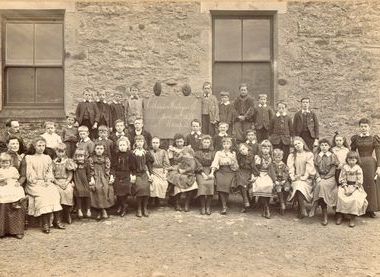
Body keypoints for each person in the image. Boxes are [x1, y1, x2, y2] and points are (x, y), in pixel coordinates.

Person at [24, 136, 64, 233]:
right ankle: (45, 223)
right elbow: (29, 172)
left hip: (45, 182)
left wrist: (48, 180)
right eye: (39, 145)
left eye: (43, 145)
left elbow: (49, 172)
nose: (41, 148)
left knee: (54, 191)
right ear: (34, 146)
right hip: (33, 184)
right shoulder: (29, 158)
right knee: (43, 195)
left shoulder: (47, 157)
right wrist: (36, 181)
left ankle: (57, 221)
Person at [350, 118, 380, 218]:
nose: (363, 128)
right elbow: (352, 153)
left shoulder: (373, 138)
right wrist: (351, 165)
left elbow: (378, 154)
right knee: (360, 184)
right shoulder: (356, 139)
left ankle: (371, 209)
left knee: (371, 184)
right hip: (359, 164)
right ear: (359, 127)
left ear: (369, 127)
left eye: (365, 126)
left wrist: (379, 167)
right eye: (361, 126)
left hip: (371, 164)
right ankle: (360, 207)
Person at [309, 138, 339, 225]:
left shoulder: (333, 156)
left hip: (330, 178)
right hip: (319, 177)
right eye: (322, 145)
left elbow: (333, 169)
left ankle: (315, 204)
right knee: (320, 184)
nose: (324, 147)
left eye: (326, 145)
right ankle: (324, 215)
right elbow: (315, 168)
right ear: (319, 146)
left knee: (321, 185)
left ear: (329, 146)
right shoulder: (317, 155)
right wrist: (318, 176)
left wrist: (325, 177)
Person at [336, 151, 368, 227]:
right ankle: (340, 215)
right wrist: (346, 188)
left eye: (353, 160)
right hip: (346, 186)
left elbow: (359, 180)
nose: (351, 162)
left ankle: (352, 217)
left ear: (357, 160)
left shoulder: (358, 168)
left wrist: (352, 190)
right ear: (347, 160)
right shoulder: (345, 167)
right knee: (340, 196)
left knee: (355, 198)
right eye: (349, 160)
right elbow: (342, 178)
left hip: (355, 187)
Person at [287, 136, 316, 219]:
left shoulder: (309, 154)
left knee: (300, 185)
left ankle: (301, 209)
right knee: (298, 185)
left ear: (303, 143)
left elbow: (309, 168)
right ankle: (302, 209)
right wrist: (293, 177)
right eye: (295, 145)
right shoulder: (292, 156)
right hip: (296, 178)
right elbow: (291, 168)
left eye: (299, 143)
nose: (297, 145)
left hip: (307, 179)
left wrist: (304, 177)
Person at [0, 153, 26, 239]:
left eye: (6, 162)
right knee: (3, 194)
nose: (4, 164)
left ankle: (17, 230)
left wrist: (17, 182)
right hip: (3, 186)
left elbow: (17, 177)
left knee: (17, 191)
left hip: (12, 184)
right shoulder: (0, 170)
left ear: (10, 163)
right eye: (2, 162)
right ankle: (2, 230)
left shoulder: (13, 169)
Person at [210, 136, 239, 215]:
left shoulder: (233, 153)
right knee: (221, 183)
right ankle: (224, 206)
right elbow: (215, 163)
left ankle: (225, 203)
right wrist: (212, 172)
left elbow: (236, 166)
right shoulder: (219, 153)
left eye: (228, 143)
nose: (226, 145)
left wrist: (233, 161)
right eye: (224, 143)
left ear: (230, 145)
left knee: (227, 183)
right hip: (221, 171)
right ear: (222, 145)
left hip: (230, 171)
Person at [167, 146, 200, 212]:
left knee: (192, 186)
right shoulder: (183, 158)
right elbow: (178, 163)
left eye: (185, 154)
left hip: (189, 175)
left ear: (190, 154)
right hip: (181, 175)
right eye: (184, 154)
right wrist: (174, 168)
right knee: (176, 183)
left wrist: (184, 171)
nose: (184, 155)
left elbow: (192, 168)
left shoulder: (193, 160)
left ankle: (186, 204)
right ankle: (177, 203)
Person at [89, 142, 115, 220]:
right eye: (97, 149)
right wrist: (92, 178)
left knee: (106, 188)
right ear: (95, 149)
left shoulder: (106, 159)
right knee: (97, 188)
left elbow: (108, 170)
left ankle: (103, 209)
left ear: (104, 150)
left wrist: (111, 177)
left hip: (104, 176)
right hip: (95, 177)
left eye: (101, 149)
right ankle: (100, 210)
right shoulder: (91, 159)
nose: (99, 150)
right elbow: (90, 170)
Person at [52, 143, 77, 224]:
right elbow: (52, 175)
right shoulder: (53, 162)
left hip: (66, 181)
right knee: (58, 192)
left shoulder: (68, 161)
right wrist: (58, 183)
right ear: (56, 152)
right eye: (59, 152)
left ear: (65, 152)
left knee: (68, 191)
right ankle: (59, 214)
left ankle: (67, 213)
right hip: (57, 182)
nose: (60, 154)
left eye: (62, 152)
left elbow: (70, 174)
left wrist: (66, 183)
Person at [251, 140, 276, 219]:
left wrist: (274, 179)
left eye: (268, 148)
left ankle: (266, 207)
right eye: (264, 148)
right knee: (261, 185)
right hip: (259, 174)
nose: (266, 150)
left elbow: (272, 170)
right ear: (261, 149)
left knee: (269, 185)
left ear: (270, 149)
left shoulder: (271, 158)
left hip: (267, 174)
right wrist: (255, 175)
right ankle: (266, 208)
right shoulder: (257, 157)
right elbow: (254, 168)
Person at [111, 137, 135, 217]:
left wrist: (132, 175)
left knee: (125, 187)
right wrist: (112, 175)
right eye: (120, 145)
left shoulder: (130, 154)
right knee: (117, 186)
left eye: (124, 145)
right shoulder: (116, 155)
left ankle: (123, 206)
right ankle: (122, 205)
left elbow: (133, 167)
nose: (122, 146)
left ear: (127, 146)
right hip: (118, 174)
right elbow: (113, 167)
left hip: (127, 174)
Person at [131, 135, 154, 217]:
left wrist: (151, 174)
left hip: (145, 173)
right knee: (140, 187)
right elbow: (131, 166)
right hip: (136, 174)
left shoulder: (146, 153)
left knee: (146, 186)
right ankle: (139, 208)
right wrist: (132, 175)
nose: (139, 143)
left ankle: (145, 207)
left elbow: (149, 165)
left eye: (141, 141)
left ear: (143, 142)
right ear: (135, 143)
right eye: (138, 141)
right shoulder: (133, 153)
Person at [194, 135, 216, 215]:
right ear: (201, 143)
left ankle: (208, 207)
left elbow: (215, 163)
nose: (206, 144)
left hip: (210, 171)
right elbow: (197, 164)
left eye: (208, 142)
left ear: (210, 143)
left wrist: (211, 173)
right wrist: (202, 173)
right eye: (204, 142)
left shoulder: (213, 153)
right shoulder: (197, 153)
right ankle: (203, 206)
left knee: (210, 183)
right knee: (202, 183)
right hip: (200, 171)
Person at [236, 143, 258, 213]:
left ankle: (246, 201)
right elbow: (238, 164)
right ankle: (246, 201)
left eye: (243, 149)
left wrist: (254, 174)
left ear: (247, 148)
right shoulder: (239, 156)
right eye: (240, 150)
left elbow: (253, 166)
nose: (242, 151)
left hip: (249, 171)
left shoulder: (251, 156)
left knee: (243, 182)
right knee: (240, 181)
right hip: (241, 171)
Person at [149, 137, 170, 207]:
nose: (155, 144)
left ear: (159, 143)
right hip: (151, 170)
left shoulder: (163, 152)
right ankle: (152, 198)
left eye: (157, 143)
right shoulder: (149, 152)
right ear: (151, 144)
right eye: (153, 143)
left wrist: (165, 173)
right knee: (154, 182)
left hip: (161, 170)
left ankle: (157, 199)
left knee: (163, 182)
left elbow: (166, 164)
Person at [72, 148, 92, 219]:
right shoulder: (74, 164)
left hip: (85, 181)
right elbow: (71, 173)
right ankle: (79, 210)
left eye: (81, 156)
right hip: (77, 181)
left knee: (87, 192)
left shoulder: (86, 164)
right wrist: (72, 181)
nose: (80, 158)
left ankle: (88, 209)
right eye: (78, 156)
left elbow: (88, 173)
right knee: (78, 193)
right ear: (76, 157)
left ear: (84, 156)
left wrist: (89, 181)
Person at [272, 148, 291, 215]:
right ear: (273, 157)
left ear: (282, 157)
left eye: (279, 157)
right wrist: (275, 180)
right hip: (277, 181)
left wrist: (284, 180)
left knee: (287, 188)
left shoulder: (284, 165)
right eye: (276, 157)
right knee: (278, 188)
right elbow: (272, 173)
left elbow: (286, 173)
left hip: (284, 181)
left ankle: (284, 201)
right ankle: (282, 203)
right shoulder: (273, 165)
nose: (278, 159)